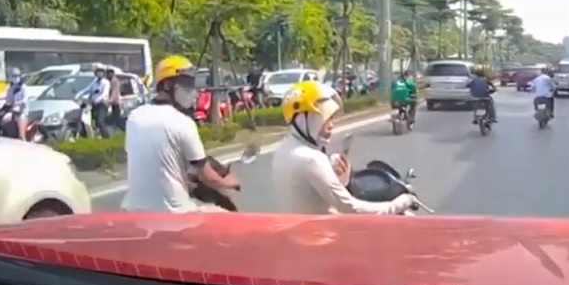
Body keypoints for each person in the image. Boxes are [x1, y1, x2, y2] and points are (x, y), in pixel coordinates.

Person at [269, 80, 415, 214]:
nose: (332, 124)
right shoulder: (310, 159)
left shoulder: (285, 148)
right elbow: (349, 207)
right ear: (305, 119)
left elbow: (308, 193)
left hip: (295, 226)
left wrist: (333, 171)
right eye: (325, 118)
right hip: (319, 231)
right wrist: (398, 204)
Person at [122, 55, 240, 213]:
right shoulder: (183, 122)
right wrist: (229, 182)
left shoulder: (134, 117)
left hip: (133, 210)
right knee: (229, 217)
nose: (193, 91)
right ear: (167, 86)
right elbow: (207, 177)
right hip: (175, 212)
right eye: (186, 84)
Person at [84, 65, 112, 138]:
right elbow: (88, 89)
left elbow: (105, 94)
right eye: (98, 72)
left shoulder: (106, 82)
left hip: (102, 104)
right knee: (94, 120)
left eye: (101, 72)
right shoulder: (95, 82)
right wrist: (79, 94)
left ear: (104, 73)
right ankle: (97, 135)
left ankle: (107, 136)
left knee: (100, 121)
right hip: (94, 104)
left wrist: (97, 100)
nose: (99, 74)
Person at [2, 67, 28, 140]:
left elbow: (25, 100)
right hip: (13, 111)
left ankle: (22, 138)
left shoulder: (23, 87)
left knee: (21, 120)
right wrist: (5, 105)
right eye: (13, 76)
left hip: (22, 111)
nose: (15, 78)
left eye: (17, 76)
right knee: (5, 120)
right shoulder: (10, 88)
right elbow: (8, 100)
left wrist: (17, 103)